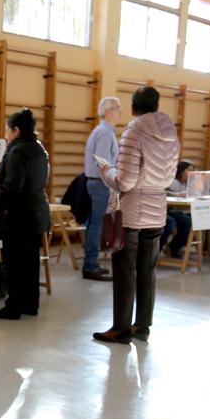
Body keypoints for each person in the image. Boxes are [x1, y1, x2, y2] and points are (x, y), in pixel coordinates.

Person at [93, 87, 179, 343]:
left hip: (132, 211)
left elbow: (125, 181)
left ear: (133, 107)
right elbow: (169, 177)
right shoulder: (171, 135)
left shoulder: (135, 131)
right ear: (156, 105)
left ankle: (120, 327)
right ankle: (142, 325)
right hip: (157, 208)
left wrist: (106, 170)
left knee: (124, 270)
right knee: (147, 269)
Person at [0, 109, 51, 320]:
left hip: (18, 215)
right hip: (36, 212)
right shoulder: (39, 148)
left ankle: (13, 306)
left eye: (7, 130)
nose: (6, 134)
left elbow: (12, 186)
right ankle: (30, 304)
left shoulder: (17, 151)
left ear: (16, 130)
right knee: (31, 261)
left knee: (14, 262)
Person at [82, 96, 121, 282]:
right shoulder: (105, 133)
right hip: (101, 184)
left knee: (94, 224)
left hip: (96, 183)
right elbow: (104, 164)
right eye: (117, 108)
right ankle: (90, 265)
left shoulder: (103, 131)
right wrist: (113, 185)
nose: (120, 111)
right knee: (97, 224)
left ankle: (91, 262)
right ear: (108, 111)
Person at [160, 161, 193, 258]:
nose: (191, 173)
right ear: (181, 171)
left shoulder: (191, 184)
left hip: (185, 211)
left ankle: (174, 247)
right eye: (189, 170)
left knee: (194, 222)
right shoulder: (173, 183)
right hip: (172, 210)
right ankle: (170, 247)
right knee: (186, 222)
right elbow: (163, 192)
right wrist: (177, 195)